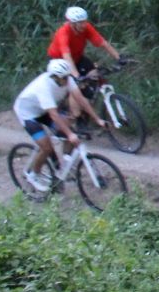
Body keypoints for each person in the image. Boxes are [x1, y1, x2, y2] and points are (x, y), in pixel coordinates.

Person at [12, 58, 105, 192]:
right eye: (64, 78)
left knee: (69, 130)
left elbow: (82, 101)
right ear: (55, 77)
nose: (67, 81)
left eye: (68, 77)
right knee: (47, 147)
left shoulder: (67, 79)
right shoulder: (43, 87)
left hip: (43, 110)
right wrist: (70, 134)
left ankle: (64, 166)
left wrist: (97, 119)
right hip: (28, 114)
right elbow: (54, 115)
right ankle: (34, 174)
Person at [48, 6, 123, 77]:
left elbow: (103, 43)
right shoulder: (63, 33)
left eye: (84, 21)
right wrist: (76, 75)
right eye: (80, 23)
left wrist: (119, 58)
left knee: (94, 73)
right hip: (60, 61)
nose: (83, 25)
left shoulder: (86, 27)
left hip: (77, 58)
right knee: (71, 82)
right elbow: (67, 56)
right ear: (72, 24)